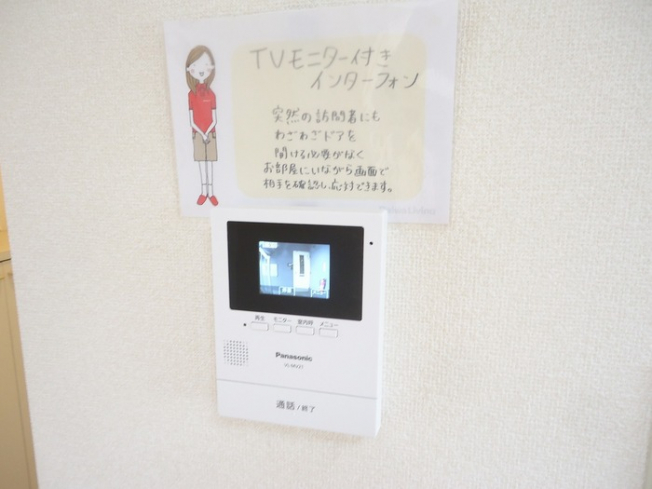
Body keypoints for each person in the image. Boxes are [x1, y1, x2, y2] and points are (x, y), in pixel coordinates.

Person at [186, 46, 218, 206]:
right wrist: (201, 133)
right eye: (195, 65)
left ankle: (211, 192)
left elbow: (215, 119)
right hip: (197, 134)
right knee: (201, 162)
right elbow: (191, 120)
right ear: (189, 69)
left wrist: (207, 132)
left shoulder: (211, 94)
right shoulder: (191, 95)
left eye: (205, 65)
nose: (200, 70)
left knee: (209, 162)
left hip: (211, 133)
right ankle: (203, 192)